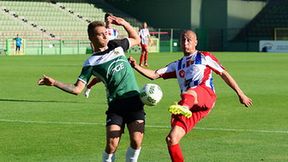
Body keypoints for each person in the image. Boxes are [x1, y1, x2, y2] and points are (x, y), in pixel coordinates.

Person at [128, 30, 253, 162]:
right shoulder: (177, 65)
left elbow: (223, 73)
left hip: (206, 95)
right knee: (172, 139)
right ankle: (185, 107)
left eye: (189, 40)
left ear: (195, 42)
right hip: (191, 106)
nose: (186, 43)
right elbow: (154, 74)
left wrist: (241, 94)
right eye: (183, 40)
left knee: (190, 92)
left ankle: (185, 106)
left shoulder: (204, 56)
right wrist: (136, 66)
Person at [38, 15, 145, 162]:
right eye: (100, 34)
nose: (105, 35)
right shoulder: (91, 62)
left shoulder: (117, 45)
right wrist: (55, 83)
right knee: (112, 145)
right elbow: (77, 89)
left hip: (134, 100)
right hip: (116, 105)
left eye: (105, 32)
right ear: (91, 38)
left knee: (136, 141)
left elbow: (136, 39)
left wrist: (124, 23)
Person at [84, 13, 119, 98]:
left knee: (105, 78)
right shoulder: (101, 31)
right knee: (103, 78)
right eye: (108, 19)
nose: (109, 21)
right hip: (102, 56)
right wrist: (95, 53)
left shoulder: (115, 32)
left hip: (114, 56)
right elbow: (93, 42)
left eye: (111, 19)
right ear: (105, 20)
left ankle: (89, 86)